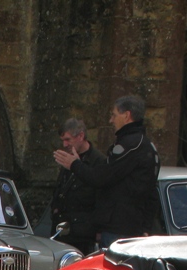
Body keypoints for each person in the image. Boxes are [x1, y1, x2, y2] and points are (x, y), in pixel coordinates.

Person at [54, 95, 160, 249]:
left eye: (114, 115)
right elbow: (152, 193)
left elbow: (101, 178)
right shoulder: (146, 145)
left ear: (127, 115)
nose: (111, 120)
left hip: (120, 228)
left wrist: (74, 165)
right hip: (130, 227)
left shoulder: (130, 146)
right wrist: (146, 227)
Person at [49, 117, 105, 254]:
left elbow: (101, 197)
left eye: (68, 139)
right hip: (63, 230)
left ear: (81, 136)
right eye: (63, 140)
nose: (65, 144)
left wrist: (98, 229)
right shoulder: (68, 157)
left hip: (83, 234)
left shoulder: (99, 161)